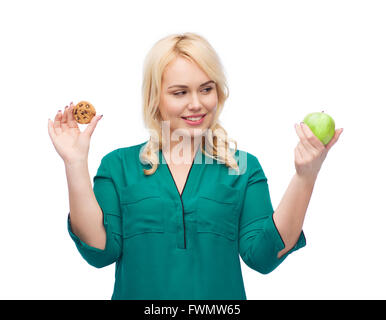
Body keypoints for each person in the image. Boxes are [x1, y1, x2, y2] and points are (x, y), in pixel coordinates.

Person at [47, 32, 343, 300]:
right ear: (155, 97)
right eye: (180, 92)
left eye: (206, 89)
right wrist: (75, 163)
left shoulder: (242, 168)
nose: (197, 104)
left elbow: (264, 257)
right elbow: (99, 252)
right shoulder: (118, 166)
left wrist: (306, 176)